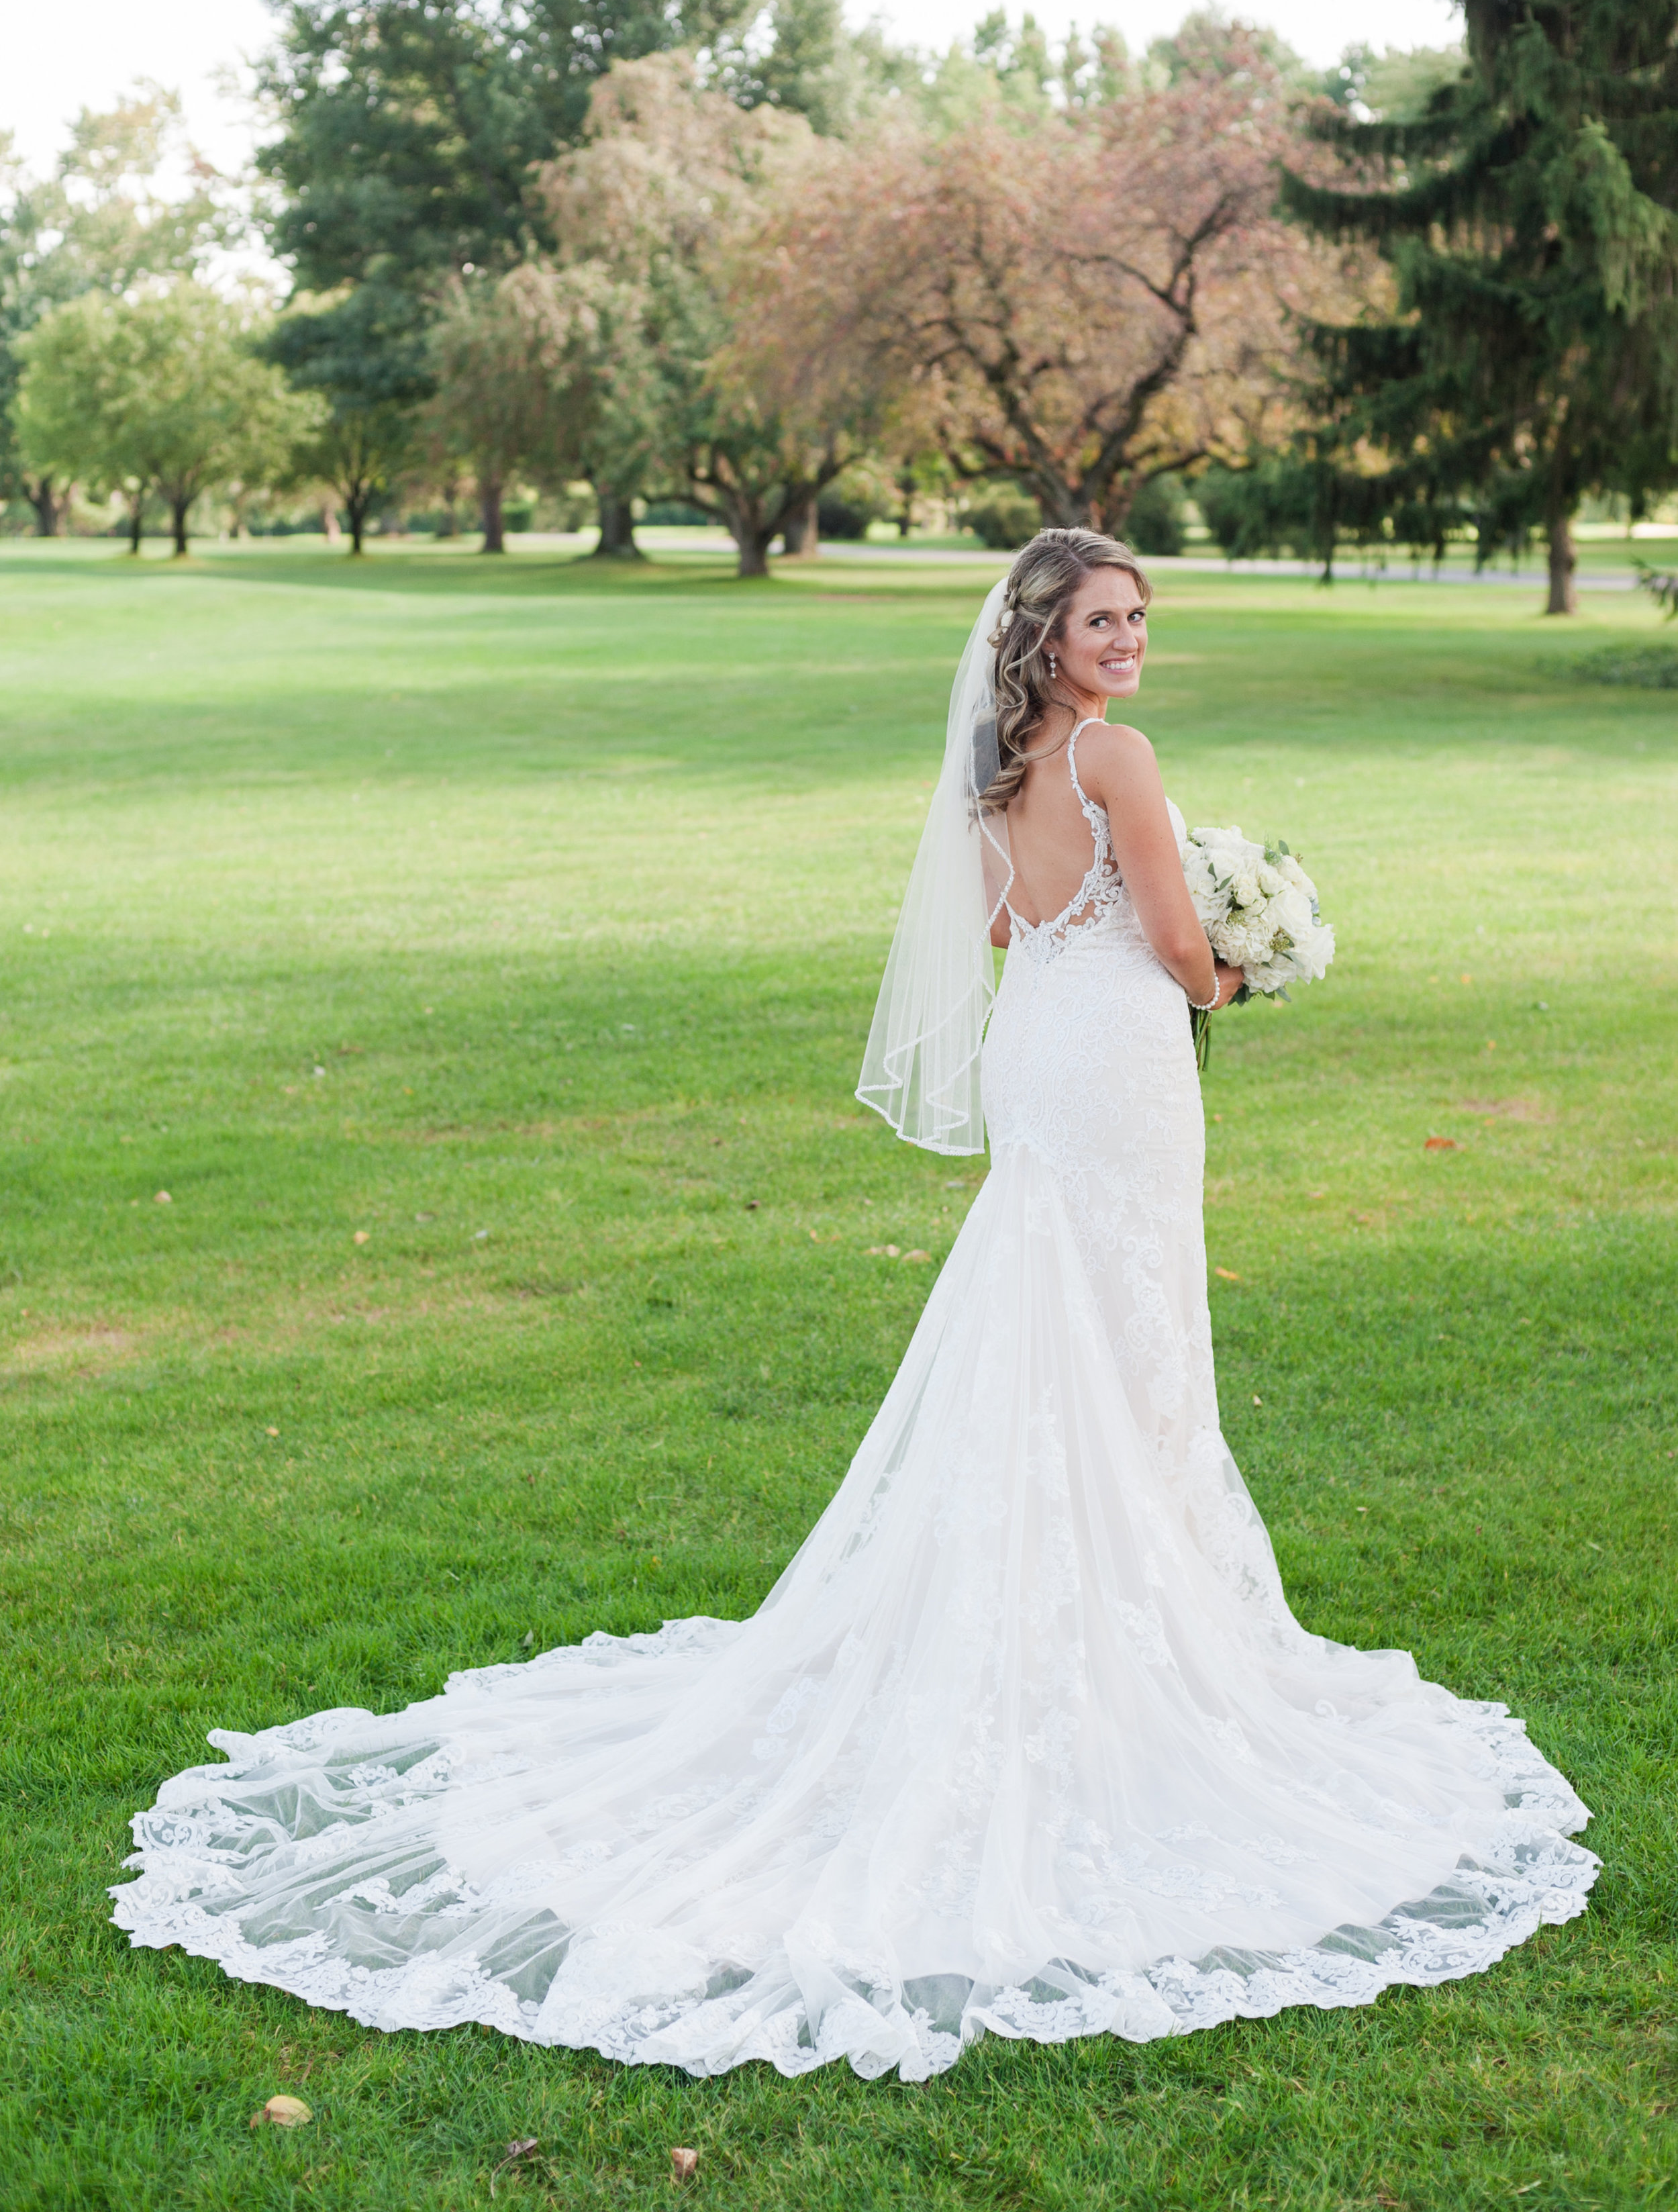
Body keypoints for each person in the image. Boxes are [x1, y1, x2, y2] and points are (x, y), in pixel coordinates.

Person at [113, 528, 1597, 2082]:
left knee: (1052, 1323)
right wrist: (1238, 959)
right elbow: (1168, 943)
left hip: (1040, 1056)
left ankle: (1061, 1589)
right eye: (1104, 618)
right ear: (1049, 634)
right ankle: (1115, 1622)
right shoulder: (1117, 758)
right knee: (1125, 1333)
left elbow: (1014, 932)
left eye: (1139, 618)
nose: (1130, 640)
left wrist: (1178, 929)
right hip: (1119, 1069)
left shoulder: (993, 771)